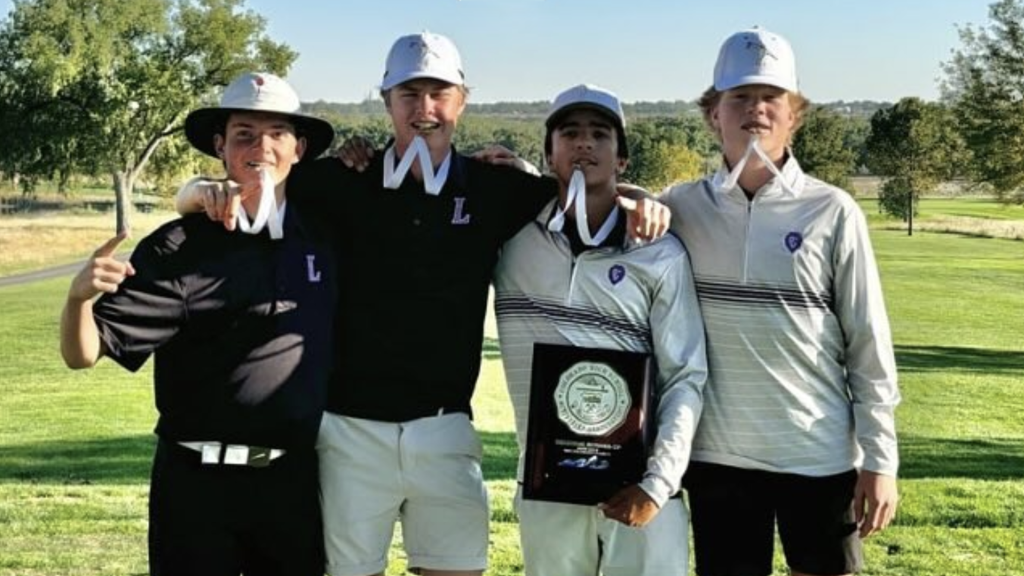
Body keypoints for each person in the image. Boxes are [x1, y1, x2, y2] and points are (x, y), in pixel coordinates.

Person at [178, 32, 669, 576]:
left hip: (446, 429)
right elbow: (256, 182)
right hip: (348, 430)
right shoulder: (344, 179)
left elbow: (589, 186)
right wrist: (194, 193)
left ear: (462, 99)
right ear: (386, 99)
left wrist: (645, 201)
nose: (424, 109)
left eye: (439, 94)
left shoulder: (493, 187)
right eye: (409, 94)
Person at [60, 72, 336, 576]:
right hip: (193, 488)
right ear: (220, 146)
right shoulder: (177, 246)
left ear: (298, 148)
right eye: (244, 134)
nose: (262, 147)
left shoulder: (325, 235)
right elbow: (83, 353)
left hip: (289, 485)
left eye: (278, 133)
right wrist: (78, 300)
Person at [661, 27, 901, 576]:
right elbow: (603, 205)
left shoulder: (833, 211)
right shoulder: (679, 207)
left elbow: (867, 344)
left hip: (818, 457)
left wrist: (880, 459)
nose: (756, 111)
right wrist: (516, 176)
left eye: (772, 98)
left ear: (794, 114)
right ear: (712, 114)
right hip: (719, 458)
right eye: (739, 97)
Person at [492, 83, 707, 576]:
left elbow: (685, 376)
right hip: (548, 485)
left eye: (600, 134)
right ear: (548, 155)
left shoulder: (659, 252)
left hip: (640, 486)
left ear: (623, 159)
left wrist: (658, 483)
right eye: (569, 133)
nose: (584, 143)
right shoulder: (511, 240)